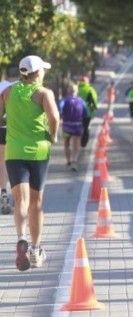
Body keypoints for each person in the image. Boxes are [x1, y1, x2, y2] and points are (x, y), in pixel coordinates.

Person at [0, 55, 60, 271]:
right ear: (37, 74)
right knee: (36, 202)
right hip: (38, 152)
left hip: (14, 152)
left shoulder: (7, 92)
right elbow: (54, 117)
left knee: (20, 200)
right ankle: (35, 250)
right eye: (43, 70)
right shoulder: (43, 93)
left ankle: (20, 238)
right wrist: (53, 136)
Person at [60, 82, 87, 172]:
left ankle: (68, 161)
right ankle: (74, 161)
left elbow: (60, 110)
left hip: (66, 126)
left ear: (68, 91)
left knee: (66, 143)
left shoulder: (64, 100)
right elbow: (85, 113)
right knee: (76, 144)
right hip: (77, 126)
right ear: (76, 91)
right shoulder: (81, 101)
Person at [0, 71, 17, 215]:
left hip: (1, 129)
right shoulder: (15, 90)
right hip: (13, 130)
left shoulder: (2, 87)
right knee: (15, 163)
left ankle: (4, 194)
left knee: (2, 164)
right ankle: (17, 197)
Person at [77, 76, 98, 147]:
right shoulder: (90, 89)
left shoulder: (76, 89)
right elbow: (94, 100)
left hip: (76, 112)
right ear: (87, 82)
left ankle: (76, 141)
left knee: (77, 126)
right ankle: (84, 143)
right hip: (87, 112)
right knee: (86, 127)